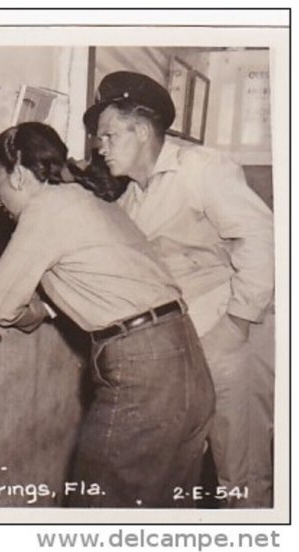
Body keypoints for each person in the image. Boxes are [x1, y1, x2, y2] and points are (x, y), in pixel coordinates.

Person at [0, 122, 215, 508]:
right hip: (185, 360)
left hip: (144, 372)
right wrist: (39, 308)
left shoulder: (48, 207)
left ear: (18, 175)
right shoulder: (91, 200)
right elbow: (94, 277)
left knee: (97, 510)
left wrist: (25, 315)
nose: (0, 201)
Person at [83, 71, 275, 508]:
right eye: (99, 139)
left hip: (232, 337)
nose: (100, 146)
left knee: (240, 474)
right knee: (188, 468)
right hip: (187, 349)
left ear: (143, 129)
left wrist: (238, 323)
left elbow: (264, 239)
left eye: (109, 135)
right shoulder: (130, 200)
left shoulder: (202, 168)